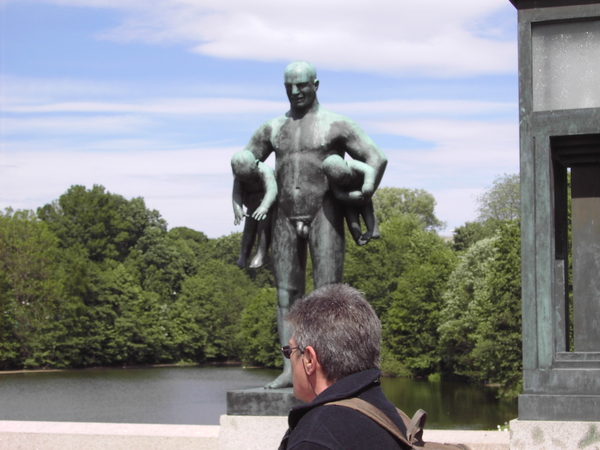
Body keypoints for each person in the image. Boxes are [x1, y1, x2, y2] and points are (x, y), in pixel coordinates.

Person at [243, 61, 387, 388]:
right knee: (286, 294)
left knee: (327, 295)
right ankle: (288, 370)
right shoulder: (273, 128)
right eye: (289, 86)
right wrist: (244, 192)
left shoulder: (337, 125)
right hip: (282, 213)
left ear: (316, 85)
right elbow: (246, 162)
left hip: (324, 210)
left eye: (302, 86)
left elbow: (376, 158)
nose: (295, 92)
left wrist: (362, 193)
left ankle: (328, 371)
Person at [278, 283, 406, 450]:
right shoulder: (391, 417)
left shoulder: (315, 436)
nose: (289, 358)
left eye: (290, 351)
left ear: (309, 359)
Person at [231, 150, 277, 269]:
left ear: (256, 164)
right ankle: (244, 254)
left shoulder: (265, 171)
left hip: (267, 204)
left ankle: (261, 254)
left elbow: (272, 190)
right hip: (252, 203)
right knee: (248, 229)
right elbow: (236, 193)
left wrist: (264, 207)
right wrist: (237, 209)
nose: (248, 182)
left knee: (263, 227)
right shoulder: (239, 176)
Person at [321, 154, 380, 246]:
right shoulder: (332, 182)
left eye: (346, 177)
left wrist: (368, 184)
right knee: (351, 217)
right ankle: (357, 237)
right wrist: (351, 196)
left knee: (368, 211)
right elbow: (338, 194)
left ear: (346, 166)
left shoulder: (353, 165)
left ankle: (373, 230)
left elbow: (370, 170)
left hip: (363, 194)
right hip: (349, 200)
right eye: (341, 181)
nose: (345, 182)